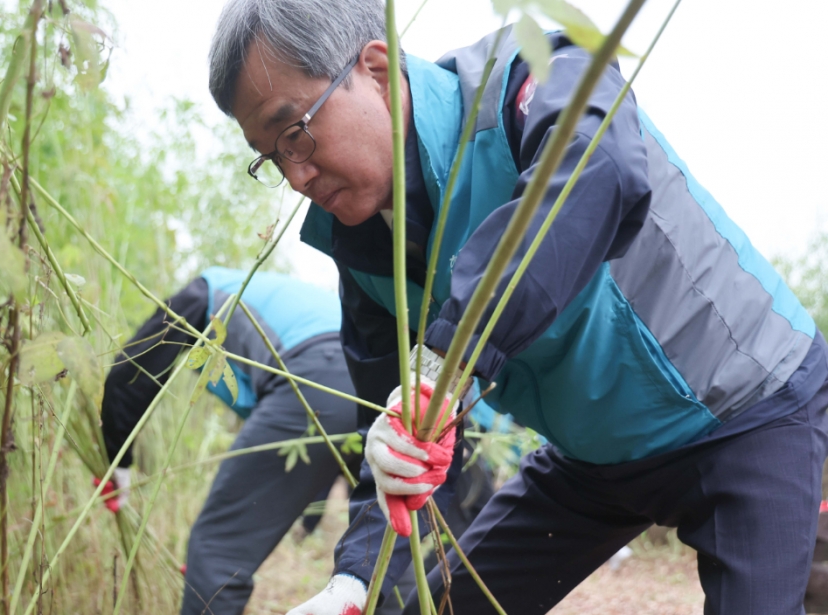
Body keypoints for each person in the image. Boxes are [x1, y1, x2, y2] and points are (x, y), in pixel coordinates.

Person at [206, 1, 828, 614]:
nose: (297, 176)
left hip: (750, 411)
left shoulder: (534, 79)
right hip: (593, 458)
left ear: (373, 67)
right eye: (271, 156)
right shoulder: (363, 246)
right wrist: (353, 581)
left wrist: (444, 361)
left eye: (295, 132)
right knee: (453, 606)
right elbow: (401, 440)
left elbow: (597, 175)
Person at [99, 266, 358, 615]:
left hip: (314, 373)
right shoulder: (278, 300)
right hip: (373, 385)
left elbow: (128, 374)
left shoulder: (204, 294)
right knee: (387, 538)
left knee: (218, 549)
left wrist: (118, 463)